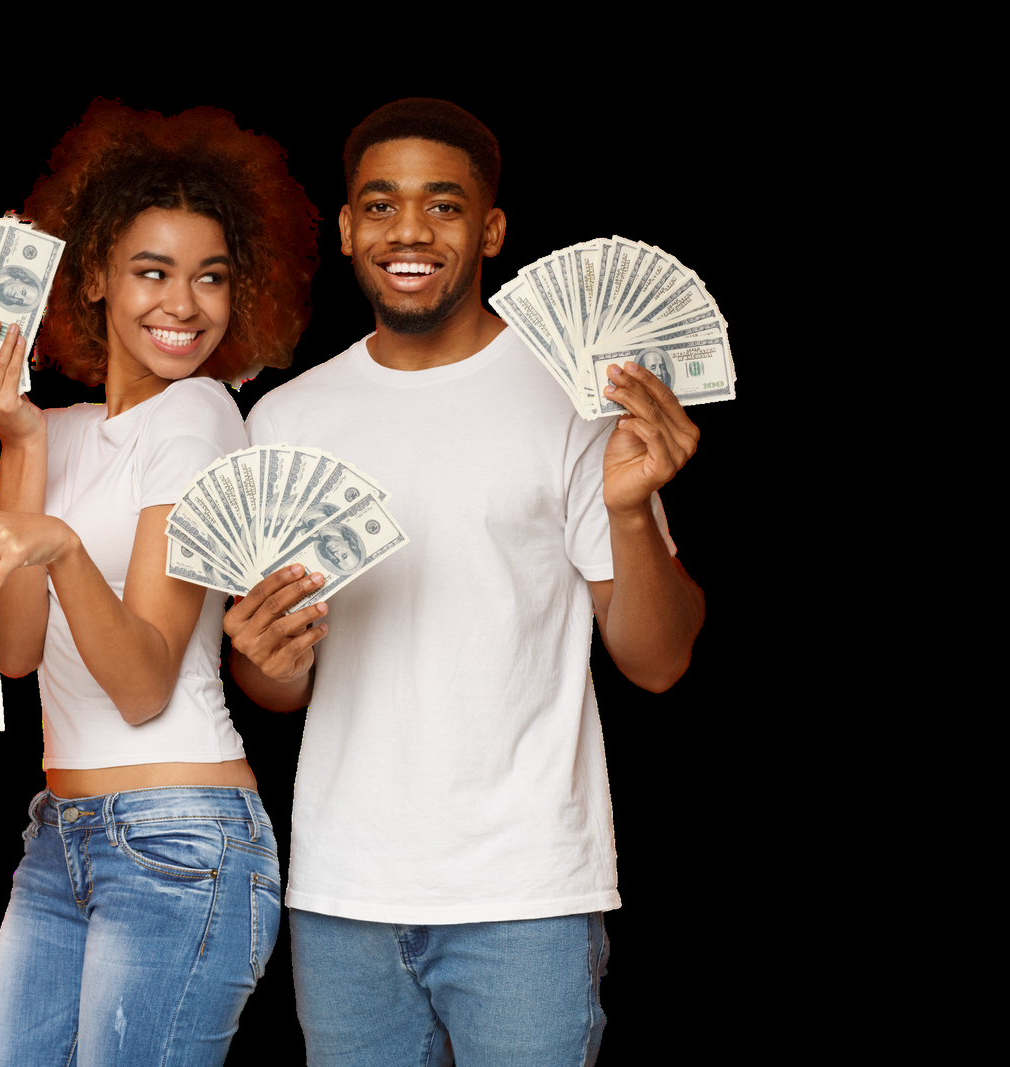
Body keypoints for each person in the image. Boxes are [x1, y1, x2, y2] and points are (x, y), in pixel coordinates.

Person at [224, 98, 705, 1067]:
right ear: (350, 225)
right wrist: (259, 658)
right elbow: (280, 688)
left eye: (442, 206)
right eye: (381, 204)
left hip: (526, 891)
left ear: (489, 229)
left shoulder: (573, 402)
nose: (409, 230)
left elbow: (656, 662)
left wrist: (625, 511)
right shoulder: (285, 417)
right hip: (342, 891)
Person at [0, 100, 319, 1066]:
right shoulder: (53, 432)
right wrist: (19, 440)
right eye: (152, 272)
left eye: (210, 278)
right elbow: (18, 654)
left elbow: (143, 683)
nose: (182, 306)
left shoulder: (198, 415)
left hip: (181, 838)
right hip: (61, 833)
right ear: (94, 277)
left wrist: (57, 542)